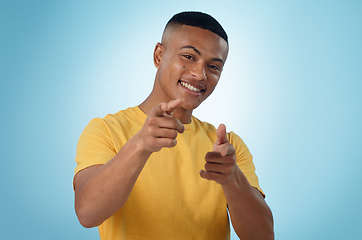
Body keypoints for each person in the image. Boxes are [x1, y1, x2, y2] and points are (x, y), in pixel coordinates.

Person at [73, 11, 274, 240]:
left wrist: (232, 179)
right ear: (159, 55)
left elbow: (263, 236)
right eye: (189, 56)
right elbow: (87, 214)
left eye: (214, 67)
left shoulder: (228, 148)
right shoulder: (106, 130)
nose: (200, 74)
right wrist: (140, 145)